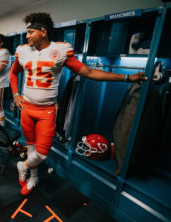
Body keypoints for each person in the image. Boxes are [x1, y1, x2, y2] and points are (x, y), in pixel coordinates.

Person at [10, 12, 148, 196]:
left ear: (43, 31)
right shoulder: (23, 50)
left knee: (41, 154)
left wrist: (126, 77)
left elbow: (89, 72)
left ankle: (22, 165)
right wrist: (15, 94)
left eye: (30, 32)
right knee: (32, 147)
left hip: (47, 111)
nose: (26, 36)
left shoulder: (60, 50)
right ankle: (33, 178)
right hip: (26, 108)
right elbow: (13, 73)